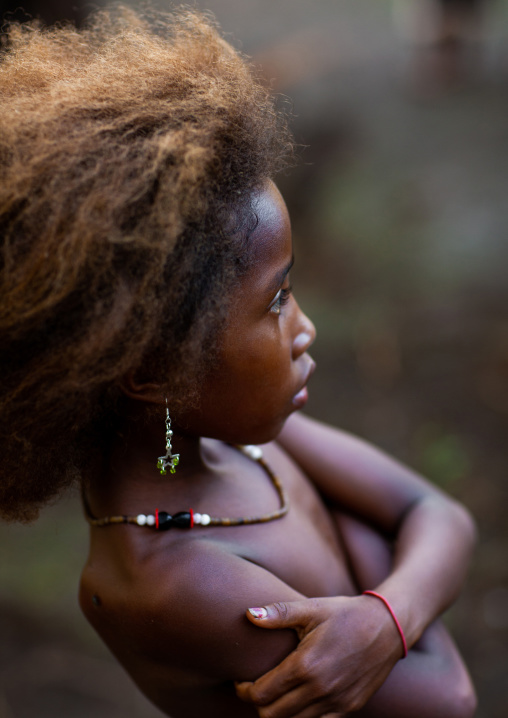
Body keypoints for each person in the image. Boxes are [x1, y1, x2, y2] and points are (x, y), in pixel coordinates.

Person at [0, 6, 477, 717]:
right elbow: (449, 695)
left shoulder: (221, 435)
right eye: (277, 299)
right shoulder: (171, 581)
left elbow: (440, 511)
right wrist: (384, 559)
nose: (306, 328)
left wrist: (379, 617)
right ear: (154, 368)